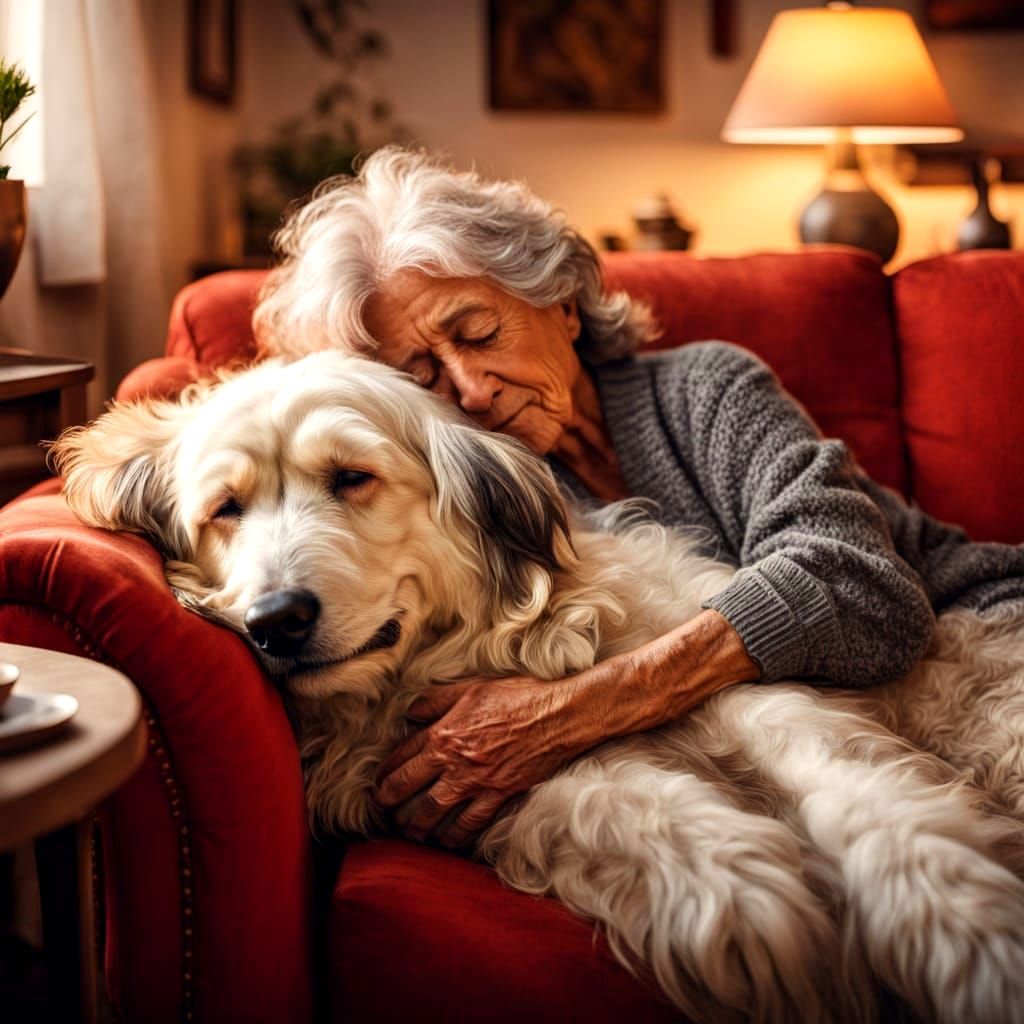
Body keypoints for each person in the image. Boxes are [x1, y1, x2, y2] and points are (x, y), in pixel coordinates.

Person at [253, 147, 1024, 850]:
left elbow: (859, 588)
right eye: (420, 373)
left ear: (558, 300)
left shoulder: (706, 390)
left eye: (480, 333)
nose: (472, 390)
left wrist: (572, 711)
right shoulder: (449, 506)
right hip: (834, 740)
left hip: (978, 634)